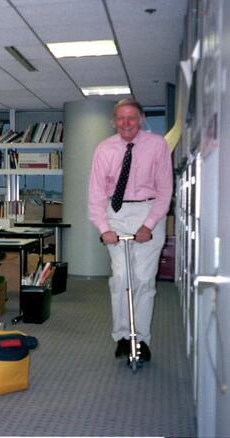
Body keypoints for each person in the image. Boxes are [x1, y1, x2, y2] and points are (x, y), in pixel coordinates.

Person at [88, 98, 173, 363]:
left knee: (144, 281)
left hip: (149, 213)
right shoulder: (104, 149)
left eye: (132, 117)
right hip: (117, 214)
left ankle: (142, 339)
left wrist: (149, 225)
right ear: (114, 121)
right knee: (122, 278)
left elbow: (165, 189)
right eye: (121, 118)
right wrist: (103, 228)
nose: (126, 123)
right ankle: (123, 336)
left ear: (141, 118)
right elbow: (96, 193)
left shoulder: (157, 145)